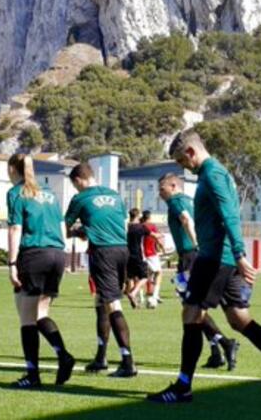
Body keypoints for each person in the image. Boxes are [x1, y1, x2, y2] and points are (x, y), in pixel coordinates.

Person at [147, 129, 261, 404]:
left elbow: (230, 214)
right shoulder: (214, 174)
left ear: (191, 152)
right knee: (238, 319)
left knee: (192, 314)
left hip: (216, 257)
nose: (184, 168)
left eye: (183, 161)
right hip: (224, 256)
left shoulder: (213, 175)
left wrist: (241, 254)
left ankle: (183, 387)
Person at [5, 153, 75, 389]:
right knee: (41, 313)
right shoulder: (49, 194)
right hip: (57, 254)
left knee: (26, 319)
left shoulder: (16, 193)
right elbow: (61, 225)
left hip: (34, 254)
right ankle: (62, 355)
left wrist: (12, 263)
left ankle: (32, 375)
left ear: (12, 169)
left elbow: (16, 228)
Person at [159, 172, 240, 371]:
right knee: (196, 308)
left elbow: (186, 220)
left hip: (190, 257)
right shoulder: (189, 200)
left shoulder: (176, 201)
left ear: (173, 186)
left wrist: (196, 245)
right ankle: (216, 352)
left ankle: (225, 343)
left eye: (162, 189)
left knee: (191, 308)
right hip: (192, 256)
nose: (160, 194)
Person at [65, 162, 137, 378]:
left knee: (112, 304)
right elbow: (120, 224)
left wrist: (79, 232)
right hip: (122, 250)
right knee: (100, 301)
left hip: (102, 253)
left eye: (75, 185)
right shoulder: (115, 195)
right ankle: (101, 357)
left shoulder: (80, 198)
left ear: (78, 180)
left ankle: (127, 361)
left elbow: (65, 228)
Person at [125, 208, 150, 308]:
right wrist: (159, 236)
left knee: (130, 277)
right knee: (144, 277)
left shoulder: (126, 227)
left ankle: (134, 301)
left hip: (127, 255)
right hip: (138, 255)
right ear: (138, 215)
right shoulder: (141, 227)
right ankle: (133, 293)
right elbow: (151, 235)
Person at [141, 210, 166, 305]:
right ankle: (155, 296)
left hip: (141, 254)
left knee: (147, 275)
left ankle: (143, 297)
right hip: (150, 253)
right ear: (149, 217)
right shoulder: (151, 226)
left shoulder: (139, 226)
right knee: (159, 273)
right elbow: (156, 238)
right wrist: (162, 247)